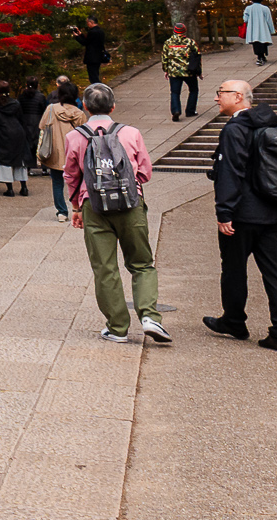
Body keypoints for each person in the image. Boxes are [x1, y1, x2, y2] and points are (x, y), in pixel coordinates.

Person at [64, 82, 168, 345]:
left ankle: (118, 327)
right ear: (113, 107)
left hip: (94, 206)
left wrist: (76, 207)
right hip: (131, 204)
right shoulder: (131, 133)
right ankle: (149, 317)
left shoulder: (75, 137)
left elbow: (71, 175)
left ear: (85, 107)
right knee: (142, 263)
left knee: (105, 268)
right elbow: (144, 172)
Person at [205, 78, 277, 352]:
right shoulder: (270, 124)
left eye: (221, 93)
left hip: (243, 214)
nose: (217, 98)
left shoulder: (234, 129)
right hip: (272, 211)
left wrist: (224, 212)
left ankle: (234, 321)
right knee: (276, 273)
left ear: (239, 97)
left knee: (233, 268)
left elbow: (231, 172)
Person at [37, 78, 86, 219]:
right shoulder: (79, 114)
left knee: (57, 183)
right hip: (74, 154)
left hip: (55, 153)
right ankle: (79, 208)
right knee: (78, 182)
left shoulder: (51, 109)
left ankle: (61, 212)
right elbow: (85, 136)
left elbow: (42, 127)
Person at [0, 79, 33, 199]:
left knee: (5, 161)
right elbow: (21, 119)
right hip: (18, 132)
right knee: (20, 160)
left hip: (2, 133)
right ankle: (24, 187)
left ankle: (10, 189)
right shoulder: (16, 104)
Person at [160, 24, 203, 122]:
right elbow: (197, 57)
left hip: (174, 72)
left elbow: (164, 58)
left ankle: (176, 110)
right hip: (189, 71)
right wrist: (199, 72)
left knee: (175, 92)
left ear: (174, 31)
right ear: (184, 31)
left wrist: (166, 70)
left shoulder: (168, 43)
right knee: (193, 90)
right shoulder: (190, 42)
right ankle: (190, 111)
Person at [75, 15, 110, 85]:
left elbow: (85, 42)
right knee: (95, 73)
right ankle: (99, 87)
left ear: (91, 22)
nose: (87, 24)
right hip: (99, 56)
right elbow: (89, 40)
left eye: (87, 22)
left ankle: (99, 89)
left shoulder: (92, 32)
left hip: (92, 57)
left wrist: (77, 37)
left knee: (93, 77)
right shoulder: (100, 31)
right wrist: (81, 34)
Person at [242, 0, 276, 65]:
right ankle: (262, 56)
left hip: (253, 29)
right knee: (263, 42)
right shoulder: (265, 8)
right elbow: (269, 20)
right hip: (263, 28)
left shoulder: (248, 8)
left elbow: (245, 19)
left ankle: (259, 57)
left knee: (256, 43)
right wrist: (272, 30)